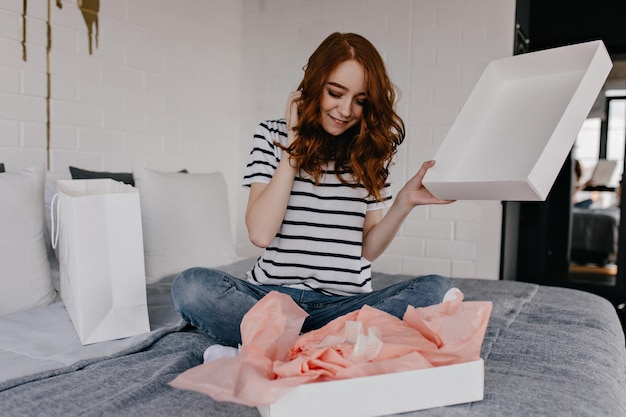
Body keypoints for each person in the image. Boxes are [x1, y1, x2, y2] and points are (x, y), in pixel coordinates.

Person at [172, 32, 455, 347]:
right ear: (314, 84)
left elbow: (368, 251)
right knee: (191, 286)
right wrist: (293, 147)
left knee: (437, 291)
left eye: (360, 100)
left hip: (343, 306)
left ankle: (286, 344)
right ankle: (328, 346)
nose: (346, 110)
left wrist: (404, 202)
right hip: (269, 301)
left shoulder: (372, 149)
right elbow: (261, 234)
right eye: (335, 93)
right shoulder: (271, 135)